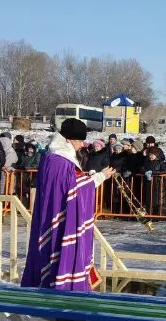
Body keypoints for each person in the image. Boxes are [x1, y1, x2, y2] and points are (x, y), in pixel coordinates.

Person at [21, 118, 115, 291]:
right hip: (61, 219)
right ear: (69, 140)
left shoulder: (52, 157)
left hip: (52, 213)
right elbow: (73, 189)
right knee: (60, 251)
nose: (81, 146)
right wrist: (99, 177)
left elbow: (69, 184)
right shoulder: (60, 161)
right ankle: (65, 295)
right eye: (79, 141)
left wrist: (89, 176)